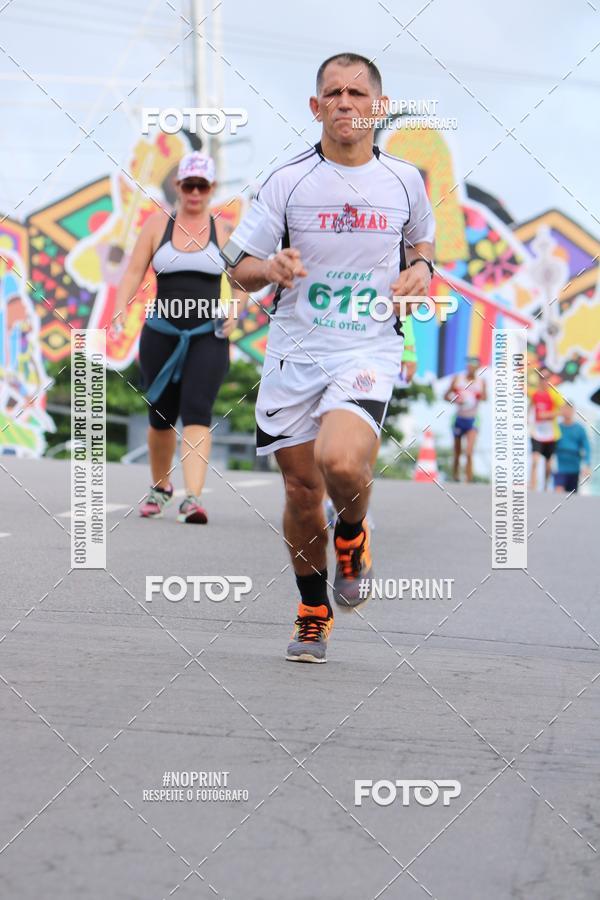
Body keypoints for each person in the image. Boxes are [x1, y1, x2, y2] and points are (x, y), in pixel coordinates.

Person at [222, 52, 435, 663]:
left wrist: (419, 268)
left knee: (341, 462)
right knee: (299, 488)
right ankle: (313, 609)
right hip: (294, 353)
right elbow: (238, 270)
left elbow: (423, 241)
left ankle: (352, 534)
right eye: (333, 93)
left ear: (379, 106)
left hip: (366, 346)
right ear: (316, 107)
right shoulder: (286, 181)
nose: (346, 102)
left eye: (358, 92)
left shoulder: (404, 181)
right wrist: (272, 267)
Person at [112, 151, 245, 524]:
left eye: (202, 186)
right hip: (162, 333)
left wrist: (235, 309)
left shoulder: (224, 231)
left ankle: (193, 499)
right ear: (178, 186)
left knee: (197, 411)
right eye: (189, 185)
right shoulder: (158, 225)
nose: (195, 192)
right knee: (161, 416)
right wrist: (121, 307)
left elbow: (242, 281)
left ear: (212, 189)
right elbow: (133, 272)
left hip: (207, 335)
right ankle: (161, 487)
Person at [444, 356, 487, 482]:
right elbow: (446, 396)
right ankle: (456, 476)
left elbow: (485, 398)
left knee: (469, 451)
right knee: (457, 452)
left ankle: (468, 479)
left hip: (473, 419)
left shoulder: (481, 381)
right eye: (469, 365)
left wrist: (476, 396)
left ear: (478, 367)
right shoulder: (458, 379)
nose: (471, 367)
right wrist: (457, 399)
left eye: (474, 365)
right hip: (458, 418)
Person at [529, 367, 561, 491]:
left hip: (551, 434)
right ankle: (532, 487)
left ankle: (546, 486)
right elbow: (530, 406)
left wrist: (548, 415)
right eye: (541, 378)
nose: (544, 381)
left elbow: (563, 410)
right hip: (536, 432)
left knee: (548, 464)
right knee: (535, 460)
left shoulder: (554, 394)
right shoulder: (534, 393)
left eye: (546, 378)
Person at [554, 403, 591, 493]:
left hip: (575, 467)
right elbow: (550, 445)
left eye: (569, 409)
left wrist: (587, 465)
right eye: (564, 409)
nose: (567, 412)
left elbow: (587, 447)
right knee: (559, 491)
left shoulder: (580, 429)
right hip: (559, 467)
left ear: (573, 411)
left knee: (572, 496)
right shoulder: (557, 427)